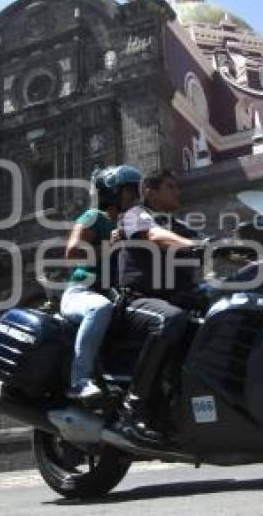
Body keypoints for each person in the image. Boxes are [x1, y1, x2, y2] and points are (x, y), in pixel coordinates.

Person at [117, 169, 204, 443]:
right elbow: (155, 235)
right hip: (138, 300)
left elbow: (205, 239)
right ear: (149, 191)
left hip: (176, 298)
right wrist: (194, 245)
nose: (177, 192)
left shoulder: (178, 225)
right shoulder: (135, 216)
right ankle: (134, 405)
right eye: (170, 186)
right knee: (171, 320)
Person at [61, 165, 142, 400]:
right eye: (129, 191)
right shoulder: (94, 217)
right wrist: (110, 245)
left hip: (113, 294)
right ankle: (79, 381)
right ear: (113, 192)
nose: (135, 197)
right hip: (82, 292)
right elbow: (72, 252)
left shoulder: (130, 225)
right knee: (99, 308)